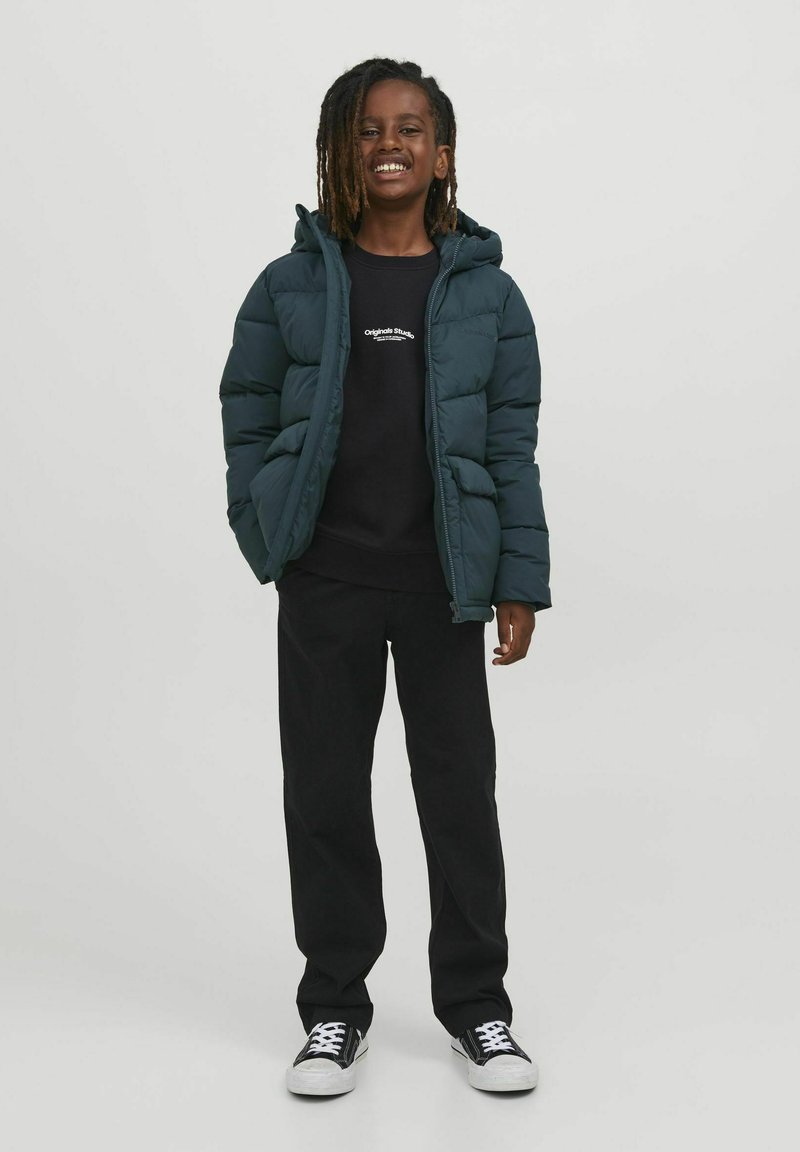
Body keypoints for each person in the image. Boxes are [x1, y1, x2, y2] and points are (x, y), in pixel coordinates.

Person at [219, 57, 552, 1096]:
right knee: (324, 794)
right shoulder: (292, 284)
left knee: (458, 798)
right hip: (326, 581)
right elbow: (246, 409)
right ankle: (333, 1007)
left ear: (443, 154)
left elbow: (509, 448)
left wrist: (517, 581)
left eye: (411, 128)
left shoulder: (489, 294)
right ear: (340, 150)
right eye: (367, 129)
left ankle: (478, 1007)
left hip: (445, 584)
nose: (389, 144)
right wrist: (266, 523)